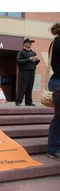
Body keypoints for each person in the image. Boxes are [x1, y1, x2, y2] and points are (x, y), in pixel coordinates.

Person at [47, 23, 60, 160]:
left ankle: (54, 148)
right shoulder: (58, 44)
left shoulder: (54, 43)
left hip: (56, 81)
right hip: (58, 84)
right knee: (59, 118)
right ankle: (53, 149)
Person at [15, 38, 40, 106]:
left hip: (32, 71)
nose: (30, 44)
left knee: (30, 87)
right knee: (22, 87)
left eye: (31, 43)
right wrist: (28, 59)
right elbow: (18, 61)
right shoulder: (21, 52)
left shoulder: (33, 53)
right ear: (25, 44)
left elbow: (35, 63)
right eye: (29, 42)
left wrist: (37, 60)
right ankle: (18, 101)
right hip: (24, 71)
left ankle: (28, 102)